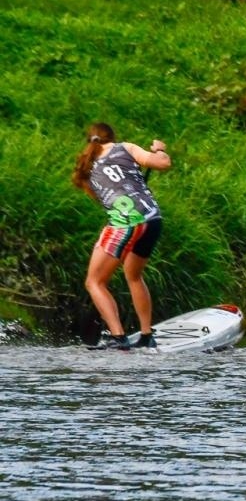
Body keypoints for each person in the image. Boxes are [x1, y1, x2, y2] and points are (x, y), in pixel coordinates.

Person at [71, 122, 172, 350]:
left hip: (125, 222)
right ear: (112, 137)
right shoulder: (125, 147)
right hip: (152, 219)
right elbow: (162, 162)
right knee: (134, 276)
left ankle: (119, 338)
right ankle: (146, 335)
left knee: (94, 281)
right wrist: (158, 149)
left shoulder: (86, 164)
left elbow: (104, 198)